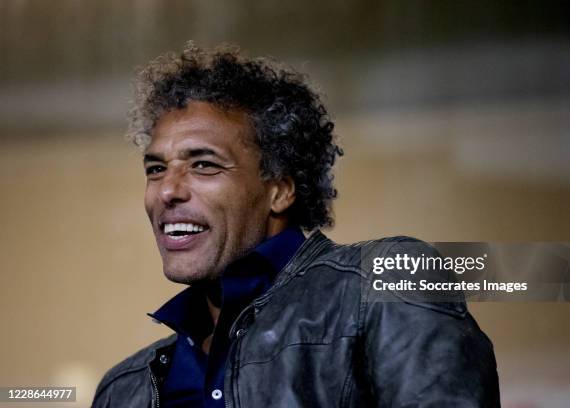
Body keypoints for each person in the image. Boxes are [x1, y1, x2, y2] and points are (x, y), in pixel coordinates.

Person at [92, 42, 500, 408]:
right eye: (156, 168)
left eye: (204, 164)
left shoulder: (386, 280)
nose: (167, 191)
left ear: (281, 190)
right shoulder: (123, 390)